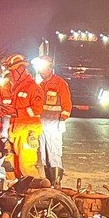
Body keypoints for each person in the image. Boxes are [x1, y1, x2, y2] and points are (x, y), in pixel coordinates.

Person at [0, 54, 43, 179]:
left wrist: (17, 112)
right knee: (10, 163)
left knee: (26, 165)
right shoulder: (15, 88)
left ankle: (36, 193)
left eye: (12, 71)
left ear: (21, 69)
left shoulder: (34, 88)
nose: (11, 75)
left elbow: (37, 109)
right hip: (15, 131)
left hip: (28, 131)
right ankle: (14, 191)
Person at [36, 57, 72, 187]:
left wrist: (63, 117)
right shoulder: (40, 85)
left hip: (54, 122)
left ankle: (56, 182)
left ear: (50, 68)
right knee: (44, 154)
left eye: (43, 68)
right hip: (42, 122)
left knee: (54, 152)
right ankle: (48, 181)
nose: (41, 71)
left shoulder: (60, 83)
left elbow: (67, 103)